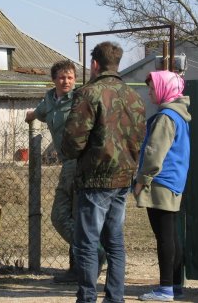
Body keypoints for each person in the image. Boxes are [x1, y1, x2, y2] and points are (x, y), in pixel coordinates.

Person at [62, 41, 146, 303]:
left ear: (95, 65)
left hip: (96, 176)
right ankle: (115, 298)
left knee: (86, 243)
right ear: (116, 63)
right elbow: (140, 135)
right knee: (115, 242)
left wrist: (70, 152)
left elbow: (74, 139)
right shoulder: (134, 96)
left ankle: (86, 298)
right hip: (123, 177)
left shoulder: (89, 93)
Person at [25, 60, 92, 283]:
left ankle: (89, 257)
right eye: (62, 77)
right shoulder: (50, 99)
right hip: (67, 163)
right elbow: (41, 112)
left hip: (78, 162)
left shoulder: (79, 100)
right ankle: (86, 260)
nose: (67, 81)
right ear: (54, 79)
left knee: (64, 216)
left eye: (71, 77)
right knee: (65, 217)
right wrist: (31, 115)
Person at [134, 71, 191, 302]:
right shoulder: (179, 115)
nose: (149, 93)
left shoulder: (166, 117)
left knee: (164, 236)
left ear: (165, 89)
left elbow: (154, 153)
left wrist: (141, 180)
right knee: (171, 235)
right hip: (173, 181)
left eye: (152, 88)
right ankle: (174, 284)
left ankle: (165, 289)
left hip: (160, 181)